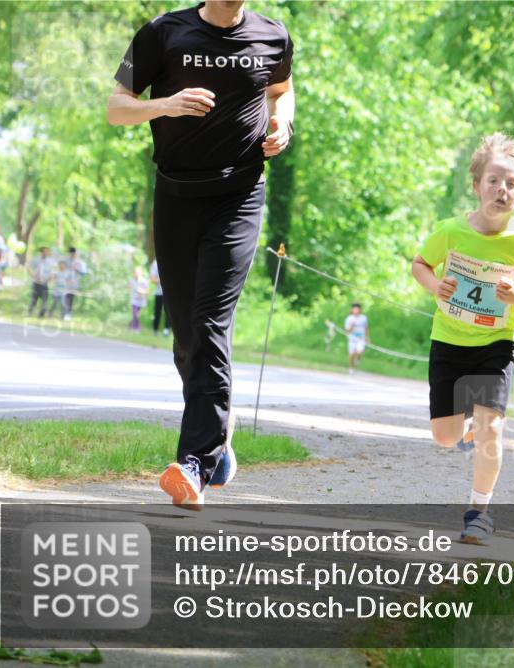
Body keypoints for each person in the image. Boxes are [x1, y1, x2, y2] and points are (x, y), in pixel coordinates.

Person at [107, 0, 294, 508]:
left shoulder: (273, 36)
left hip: (239, 195)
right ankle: (220, 441)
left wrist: (283, 123)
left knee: (210, 323)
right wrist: (162, 106)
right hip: (175, 195)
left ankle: (195, 462)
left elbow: (281, 90)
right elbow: (115, 106)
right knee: (187, 338)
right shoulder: (163, 33)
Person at [411, 133, 514, 545]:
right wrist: (435, 285)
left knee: (493, 430)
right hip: (450, 342)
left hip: (495, 347)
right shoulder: (450, 231)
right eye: (494, 180)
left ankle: (479, 513)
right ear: (476, 186)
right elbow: (420, 264)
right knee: (445, 437)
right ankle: (466, 430)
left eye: (512, 183)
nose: (502, 189)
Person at [27, 246, 55, 317]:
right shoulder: (36, 259)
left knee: (44, 300)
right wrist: (33, 275)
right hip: (36, 283)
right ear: (41, 252)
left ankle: (41, 315)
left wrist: (50, 278)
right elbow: (29, 267)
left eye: (47, 252)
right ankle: (30, 313)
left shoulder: (50, 261)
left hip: (44, 283)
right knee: (34, 299)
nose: (46, 253)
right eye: (44, 251)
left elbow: (52, 272)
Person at [344, 303, 369, 373]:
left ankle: (357, 360)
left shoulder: (364, 318)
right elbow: (347, 331)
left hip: (361, 338)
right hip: (352, 338)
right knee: (351, 354)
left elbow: (366, 328)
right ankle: (351, 368)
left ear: (360, 310)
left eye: (357, 309)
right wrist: (351, 326)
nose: (356, 310)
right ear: (352, 310)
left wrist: (367, 337)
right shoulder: (349, 319)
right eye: (354, 309)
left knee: (359, 351)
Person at [65, 247, 88, 316]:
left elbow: (84, 272)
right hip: (64, 282)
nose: (72, 254)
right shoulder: (66, 261)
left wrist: (77, 269)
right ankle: (64, 312)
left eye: (73, 253)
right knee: (64, 297)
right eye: (71, 253)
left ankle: (68, 314)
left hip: (74, 283)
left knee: (70, 298)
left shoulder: (81, 262)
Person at [149, 258, 169, 336]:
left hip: (169, 293)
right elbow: (152, 278)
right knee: (157, 311)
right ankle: (155, 330)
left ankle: (166, 330)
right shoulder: (155, 262)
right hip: (159, 292)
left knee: (169, 312)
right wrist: (161, 280)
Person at [129, 266, 150, 332]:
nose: (136, 274)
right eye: (135, 272)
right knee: (135, 314)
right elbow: (129, 288)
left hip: (141, 301)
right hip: (134, 300)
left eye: (138, 272)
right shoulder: (132, 280)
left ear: (141, 273)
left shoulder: (144, 281)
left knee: (137, 315)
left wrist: (141, 291)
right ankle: (136, 328)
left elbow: (147, 291)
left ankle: (132, 325)